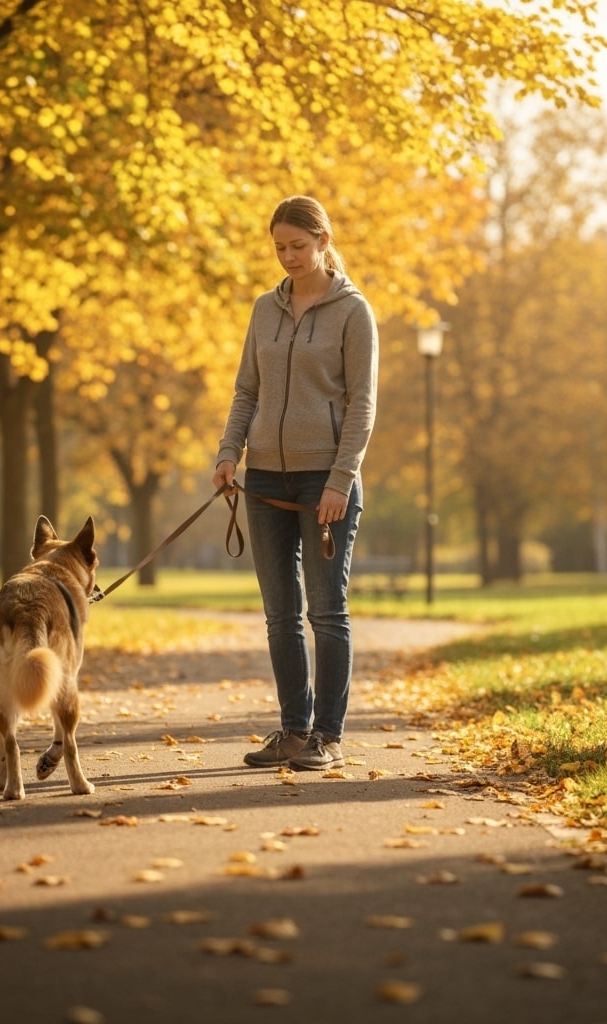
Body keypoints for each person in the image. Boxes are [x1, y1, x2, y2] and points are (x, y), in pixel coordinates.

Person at [213, 195, 379, 770]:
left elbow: (361, 404)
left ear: (324, 242)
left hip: (324, 483)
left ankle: (327, 738)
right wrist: (230, 451)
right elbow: (246, 390)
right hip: (264, 480)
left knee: (326, 611)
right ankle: (292, 730)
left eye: (298, 246)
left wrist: (341, 479)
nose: (288, 257)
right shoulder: (265, 308)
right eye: (280, 247)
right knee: (280, 615)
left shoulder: (353, 312)